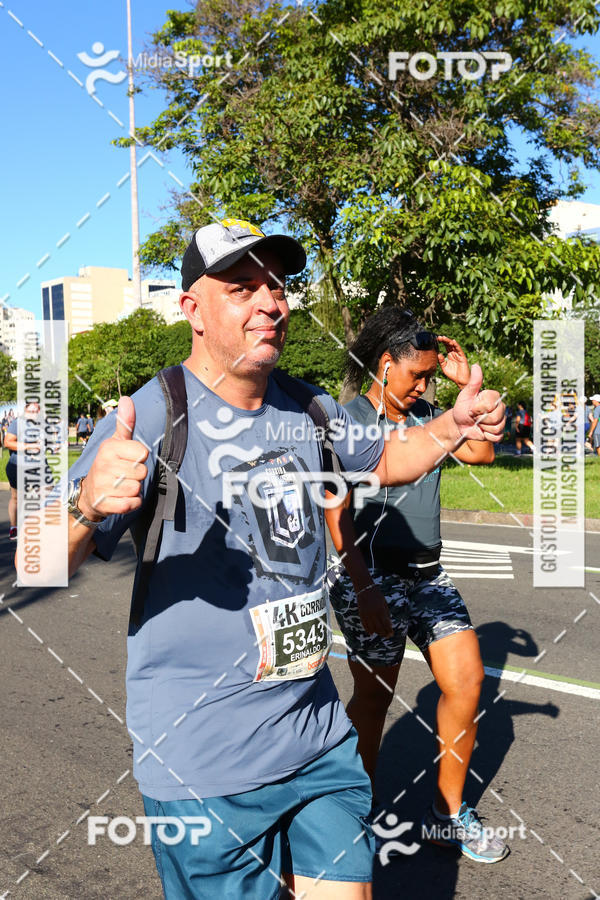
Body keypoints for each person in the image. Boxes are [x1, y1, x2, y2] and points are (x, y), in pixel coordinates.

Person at [54, 219, 504, 899]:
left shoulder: (309, 405)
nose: (271, 301)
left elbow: (383, 458)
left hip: (316, 736)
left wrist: (452, 427)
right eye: (241, 288)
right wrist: (88, 505)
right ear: (193, 311)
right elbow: (38, 556)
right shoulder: (154, 412)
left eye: (277, 285)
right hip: (206, 760)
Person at [324, 308, 508, 864]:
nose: (425, 385)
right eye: (418, 375)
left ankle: (447, 815)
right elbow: (334, 512)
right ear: (385, 366)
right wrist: (363, 586)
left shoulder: (434, 414)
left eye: (432, 376)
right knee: (374, 702)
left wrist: (461, 392)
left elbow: (483, 450)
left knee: (468, 683)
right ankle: (355, 813)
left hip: (428, 575)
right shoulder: (346, 419)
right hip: (370, 576)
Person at [5, 402, 41, 541]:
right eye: (32, 410)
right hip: (17, 466)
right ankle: (14, 528)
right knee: (17, 498)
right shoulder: (18, 423)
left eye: (37, 410)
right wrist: (29, 446)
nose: (35, 413)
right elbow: (8, 442)